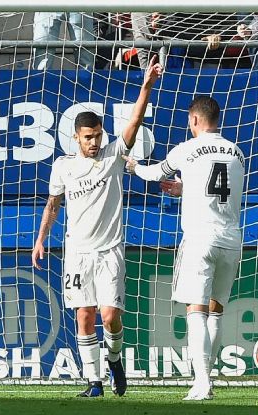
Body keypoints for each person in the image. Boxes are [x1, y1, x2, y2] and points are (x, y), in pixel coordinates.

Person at [32, 57, 162, 397]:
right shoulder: (62, 167)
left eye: (98, 136)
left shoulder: (114, 155)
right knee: (85, 317)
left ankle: (115, 359)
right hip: (76, 252)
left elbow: (134, 121)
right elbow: (53, 204)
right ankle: (94, 382)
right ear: (76, 137)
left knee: (109, 318)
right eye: (88, 137)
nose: (94, 142)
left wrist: (146, 85)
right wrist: (41, 239)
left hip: (109, 251)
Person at [123, 96, 244, 401]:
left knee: (196, 310)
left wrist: (135, 166)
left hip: (201, 238)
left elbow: (155, 174)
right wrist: (184, 188)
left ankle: (201, 382)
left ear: (194, 120)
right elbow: (215, 188)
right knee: (216, 311)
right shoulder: (237, 153)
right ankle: (208, 377)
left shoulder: (187, 149)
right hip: (231, 239)